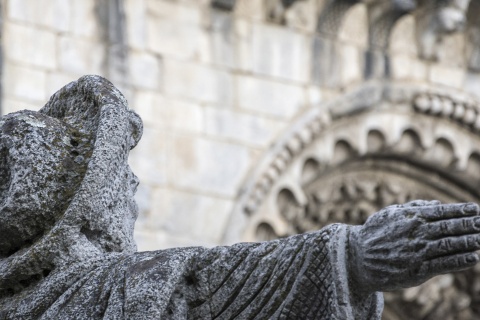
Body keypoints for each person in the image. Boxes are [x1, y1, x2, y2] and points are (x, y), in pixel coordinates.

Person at [1, 75, 479, 319]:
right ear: (81, 207)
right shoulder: (101, 294)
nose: (132, 185)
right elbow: (199, 287)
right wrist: (354, 257)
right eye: (114, 174)